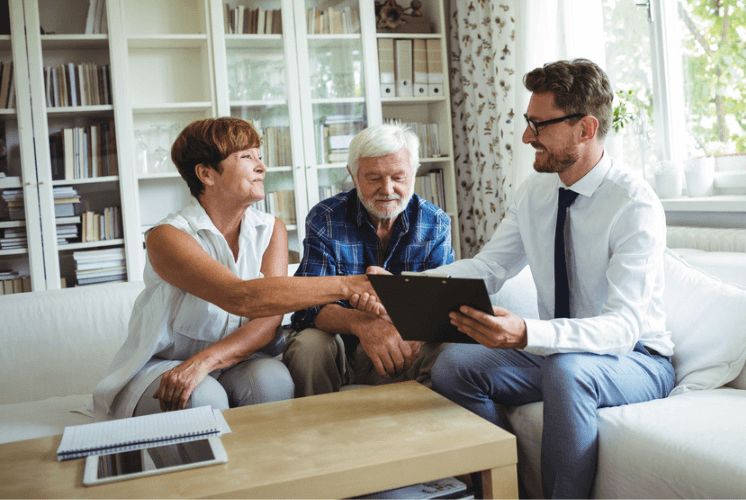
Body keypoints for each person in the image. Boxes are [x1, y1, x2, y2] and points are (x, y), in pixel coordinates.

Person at [429, 59, 675, 498]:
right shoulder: (535, 191)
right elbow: (489, 268)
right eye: (528, 122)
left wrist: (526, 331)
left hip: (637, 359)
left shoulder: (633, 203)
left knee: (566, 370)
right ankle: (505, 491)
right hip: (559, 354)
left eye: (538, 125)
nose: (527, 137)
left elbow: (622, 329)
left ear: (585, 129)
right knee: (453, 366)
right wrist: (405, 282)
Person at [92, 117, 381, 421]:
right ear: (206, 174)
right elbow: (239, 297)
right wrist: (354, 285)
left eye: (259, 155)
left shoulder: (271, 229)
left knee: (274, 382)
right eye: (246, 157)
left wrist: (205, 361)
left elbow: (268, 320)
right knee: (202, 397)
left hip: (237, 359)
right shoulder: (166, 236)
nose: (261, 167)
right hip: (166, 363)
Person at [282, 122, 454, 396]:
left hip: (404, 344)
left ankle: (428, 434)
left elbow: (442, 307)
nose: (387, 190)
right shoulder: (326, 218)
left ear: (414, 172)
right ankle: (318, 432)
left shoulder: (435, 223)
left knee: (450, 349)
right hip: (340, 350)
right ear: (353, 174)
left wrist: (395, 316)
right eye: (373, 178)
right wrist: (362, 323)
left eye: (398, 177)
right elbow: (308, 308)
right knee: (310, 345)